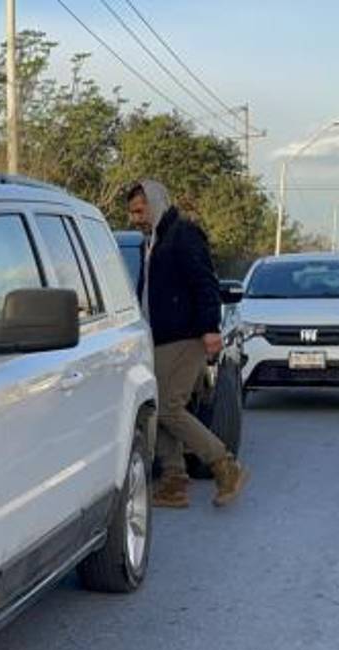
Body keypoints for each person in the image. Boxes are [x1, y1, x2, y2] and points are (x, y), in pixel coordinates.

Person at [127, 180, 249, 508]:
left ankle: (225, 466)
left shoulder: (183, 234)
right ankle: (173, 480)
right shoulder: (150, 242)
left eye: (140, 210)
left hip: (185, 336)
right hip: (155, 337)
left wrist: (210, 328)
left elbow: (204, 282)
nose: (136, 218)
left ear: (155, 203)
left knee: (168, 406)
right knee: (158, 409)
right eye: (132, 213)